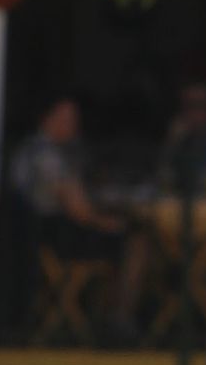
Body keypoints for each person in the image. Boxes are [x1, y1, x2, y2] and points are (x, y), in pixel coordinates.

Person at [10, 96, 148, 334]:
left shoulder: (56, 150)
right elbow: (79, 210)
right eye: (66, 119)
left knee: (124, 236)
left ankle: (104, 314)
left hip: (48, 233)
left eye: (74, 119)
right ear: (47, 119)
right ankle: (119, 318)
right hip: (54, 235)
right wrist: (109, 224)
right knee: (136, 241)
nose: (73, 125)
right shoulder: (44, 154)